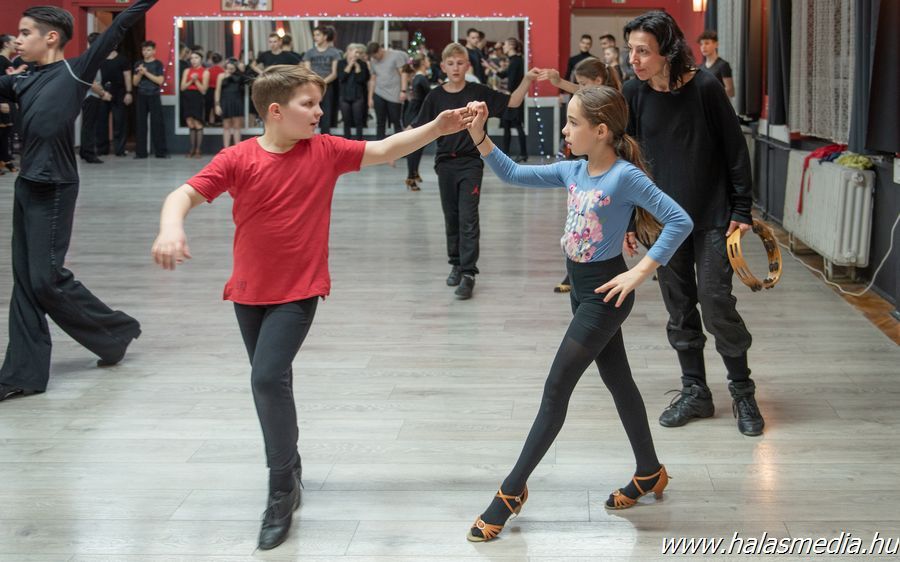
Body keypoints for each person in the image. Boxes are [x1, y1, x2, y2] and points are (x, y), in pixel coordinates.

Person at [151, 64, 473, 550]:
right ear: (275, 111)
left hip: (298, 291)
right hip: (248, 292)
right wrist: (171, 227)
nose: (320, 111)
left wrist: (437, 127)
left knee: (265, 378)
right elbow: (183, 194)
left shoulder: (324, 151)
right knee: (273, 380)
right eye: (309, 104)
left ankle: (281, 488)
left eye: (319, 103)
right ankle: (291, 463)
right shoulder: (238, 158)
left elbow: (385, 149)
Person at [462, 86, 692, 542]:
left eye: (572, 123)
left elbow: (679, 220)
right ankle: (649, 471)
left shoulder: (624, 177)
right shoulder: (573, 170)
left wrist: (639, 272)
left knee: (556, 389)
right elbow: (512, 172)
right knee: (619, 381)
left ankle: (510, 492)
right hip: (582, 291)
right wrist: (479, 135)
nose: (565, 130)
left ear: (601, 131)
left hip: (606, 295)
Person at [0, 2, 152, 403]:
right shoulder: (21, 80)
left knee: (45, 279)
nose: (18, 39)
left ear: (51, 37)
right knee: (26, 281)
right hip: (27, 185)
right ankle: (23, 374)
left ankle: (114, 332)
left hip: (55, 186)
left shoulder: (75, 70)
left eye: (26, 32)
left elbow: (121, 25)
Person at [622, 11, 762, 436]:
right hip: (662, 222)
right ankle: (695, 392)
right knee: (679, 307)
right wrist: (628, 218)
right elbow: (628, 162)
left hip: (713, 215)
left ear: (667, 52)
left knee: (716, 302)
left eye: (642, 51)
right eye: (630, 50)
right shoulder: (633, 92)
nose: (633, 59)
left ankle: (742, 391)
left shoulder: (705, 87)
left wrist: (742, 210)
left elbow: (735, 151)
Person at [410, 42, 532, 300]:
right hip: (445, 164)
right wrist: (390, 150)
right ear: (443, 67)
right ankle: (455, 263)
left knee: (468, 217)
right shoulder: (435, 97)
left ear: (468, 65)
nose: (455, 68)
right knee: (451, 217)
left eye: (460, 63)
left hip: (471, 164)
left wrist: (528, 79)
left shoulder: (478, 93)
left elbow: (512, 102)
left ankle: (468, 273)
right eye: (450, 63)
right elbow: (418, 129)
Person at [541, 57, 623, 293]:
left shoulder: (609, 101)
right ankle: (574, 273)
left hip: (610, 173)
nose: (580, 89)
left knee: (619, 225)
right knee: (586, 221)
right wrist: (560, 82)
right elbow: (580, 91)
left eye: (584, 84)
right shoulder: (595, 98)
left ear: (598, 80)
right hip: (594, 170)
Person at [484, 38, 527, 162]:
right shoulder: (515, 60)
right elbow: (503, 74)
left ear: (511, 46)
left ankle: (522, 153)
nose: (503, 47)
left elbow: (512, 81)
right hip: (512, 97)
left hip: (513, 98)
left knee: (517, 125)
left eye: (505, 45)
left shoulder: (516, 61)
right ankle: (508, 153)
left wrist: (508, 94)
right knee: (508, 124)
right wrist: (490, 67)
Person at [78, 32, 111, 164]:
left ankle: (84, 151)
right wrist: (103, 94)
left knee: (88, 125)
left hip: (92, 96)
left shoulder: (92, 56)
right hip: (90, 96)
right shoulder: (90, 57)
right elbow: (90, 81)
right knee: (89, 126)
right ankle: (89, 153)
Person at [97, 42, 132, 157]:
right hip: (103, 92)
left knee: (120, 121)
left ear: (116, 45)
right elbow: (96, 78)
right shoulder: (100, 59)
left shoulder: (122, 60)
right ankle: (102, 149)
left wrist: (128, 92)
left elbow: (127, 76)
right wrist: (101, 92)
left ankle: (120, 149)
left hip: (119, 92)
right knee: (101, 121)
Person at [304, 26, 342, 134]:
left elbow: (334, 73)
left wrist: (322, 83)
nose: (315, 37)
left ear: (325, 36)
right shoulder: (310, 53)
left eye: (318, 35)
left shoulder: (334, 53)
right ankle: (309, 134)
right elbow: (307, 71)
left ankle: (325, 137)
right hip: (312, 85)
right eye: (314, 35)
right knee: (310, 110)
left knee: (326, 112)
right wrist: (315, 82)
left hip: (327, 85)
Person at [133, 40, 167, 159]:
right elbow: (134, 82)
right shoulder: (138, 64)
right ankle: (140, 153)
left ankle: (161, 152)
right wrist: (139, 73)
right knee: (140, 123)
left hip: (154, 95)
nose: (145, 52)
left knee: (157, 123)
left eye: (148, 50)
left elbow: (160, 81)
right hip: (141, 95)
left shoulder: (158, 64)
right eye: (144, 50)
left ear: (154, 51)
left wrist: (146, 73)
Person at [402, 55, 431, 191]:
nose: (429, 62)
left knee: (418, 146)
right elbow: (430, 96)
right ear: (423, 63)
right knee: (413, 148)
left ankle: (414, 173)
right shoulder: (421, 78)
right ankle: (410, 177)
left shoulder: (418, 78)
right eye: (427, 60)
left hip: (416, 113)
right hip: (415, 115)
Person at [366, 42, 406, 140]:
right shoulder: (373, 61)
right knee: (380, 122)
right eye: (373, 56)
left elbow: (403, 73)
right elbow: (373, 79)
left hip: (394, 93)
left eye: (375, 55)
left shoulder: (396, 55)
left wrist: (403, 90)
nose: (375, 58)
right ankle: (379, 145)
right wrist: (370, 97)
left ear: (380, 50)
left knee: (396, 121)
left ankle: (401, 145)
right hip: (379, 93)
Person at [214, 58, 249, 148]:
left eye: (232, 67)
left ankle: (237, 149)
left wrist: (242, 70)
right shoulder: (221, 76)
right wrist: (217, 105)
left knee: (237, 126)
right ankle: (226, 149)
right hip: (225, 101)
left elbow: (248, 80)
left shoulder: (239, 76)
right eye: (228, 67)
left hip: (237, 101)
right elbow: (217, 91)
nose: (230, 69)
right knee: (226, 126)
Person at [337, 43, 369, 141]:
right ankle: (347, 141)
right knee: (346, 120)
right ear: (349, 51)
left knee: (358, 120)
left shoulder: (362, 64)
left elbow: (362, 80)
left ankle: (359, 141)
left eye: (358, 53)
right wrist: (350, 65)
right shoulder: (341, 63)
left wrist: (358, 68)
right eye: (356, 52)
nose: (357, 55)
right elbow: (341, 78)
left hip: (358, 95)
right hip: (344, 95)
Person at [180, 50, 209, 158]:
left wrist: (196, 80)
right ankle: (192, 149)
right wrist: (191, 80)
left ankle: (198, 150)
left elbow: (204, 90)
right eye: (192, 58)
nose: (193, 60)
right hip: (187, 98)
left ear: (201, 59)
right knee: (190, 123)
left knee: (198, 123)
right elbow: (182, 87)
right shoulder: (187, 71)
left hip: (198, 98)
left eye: (196, 58)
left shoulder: (205, 72)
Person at [697, 30, 735, 98]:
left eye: (707, 43)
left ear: (716, 44)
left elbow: (730, 91)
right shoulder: (700, 68)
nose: (703, 47)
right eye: (701, 44)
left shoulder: (723, 65)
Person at [205, 53, 225, 125]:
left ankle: (207, 121)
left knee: (208, 106)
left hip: (209, 90)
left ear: (212, 61)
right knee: (217, 105)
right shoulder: (223, 71)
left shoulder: (208, 70)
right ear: (221, 61)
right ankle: (218, 121)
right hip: (219, 90)